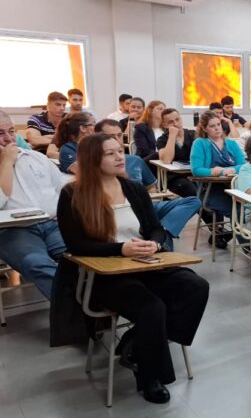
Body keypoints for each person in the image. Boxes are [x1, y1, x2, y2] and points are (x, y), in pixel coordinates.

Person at [56, 133, 209, 404]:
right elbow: (75, 245)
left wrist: (154, 243)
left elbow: (154, 228)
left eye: (120, 150)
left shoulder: (133, 188)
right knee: (152, 308)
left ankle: (136, 344)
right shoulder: (72, 194)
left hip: (143, 264)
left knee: (196, 286)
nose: (120, 157)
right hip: (105, 274)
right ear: (93, 159)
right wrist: (120, 249)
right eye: (111, 153)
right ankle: (149, 377)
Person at [93, 119, 201, 250]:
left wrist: (150, 196)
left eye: (119, 135)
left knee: (193, 201)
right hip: (124, 209)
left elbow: (151, 186)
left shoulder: (135, 160)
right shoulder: (95, 165)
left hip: (146, 204)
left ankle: (164, 233)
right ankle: (161, 241)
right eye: (111, 136)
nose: (117, 140)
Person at [0, 110, 68, 299]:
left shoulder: (35, 158)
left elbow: (62, 189)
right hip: (14, 230)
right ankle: (74, 311)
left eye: (12, 131)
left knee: (82, 257)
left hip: (53, 224)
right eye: (0, 133)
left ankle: (88, 304)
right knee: (35, 262)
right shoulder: (6, 160)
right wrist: (6, 162)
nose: (8, 139)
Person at [191, 110, 246, 247]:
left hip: (234, 188)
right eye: (212, 126)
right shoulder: (200, 143)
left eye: (218, 124)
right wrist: (214, 171)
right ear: (204, 128)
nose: (217, 128)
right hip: (211, 191)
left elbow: (244, 165)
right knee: (239, 211)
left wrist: (233, 169)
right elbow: (196, 170)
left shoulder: (231, 144)